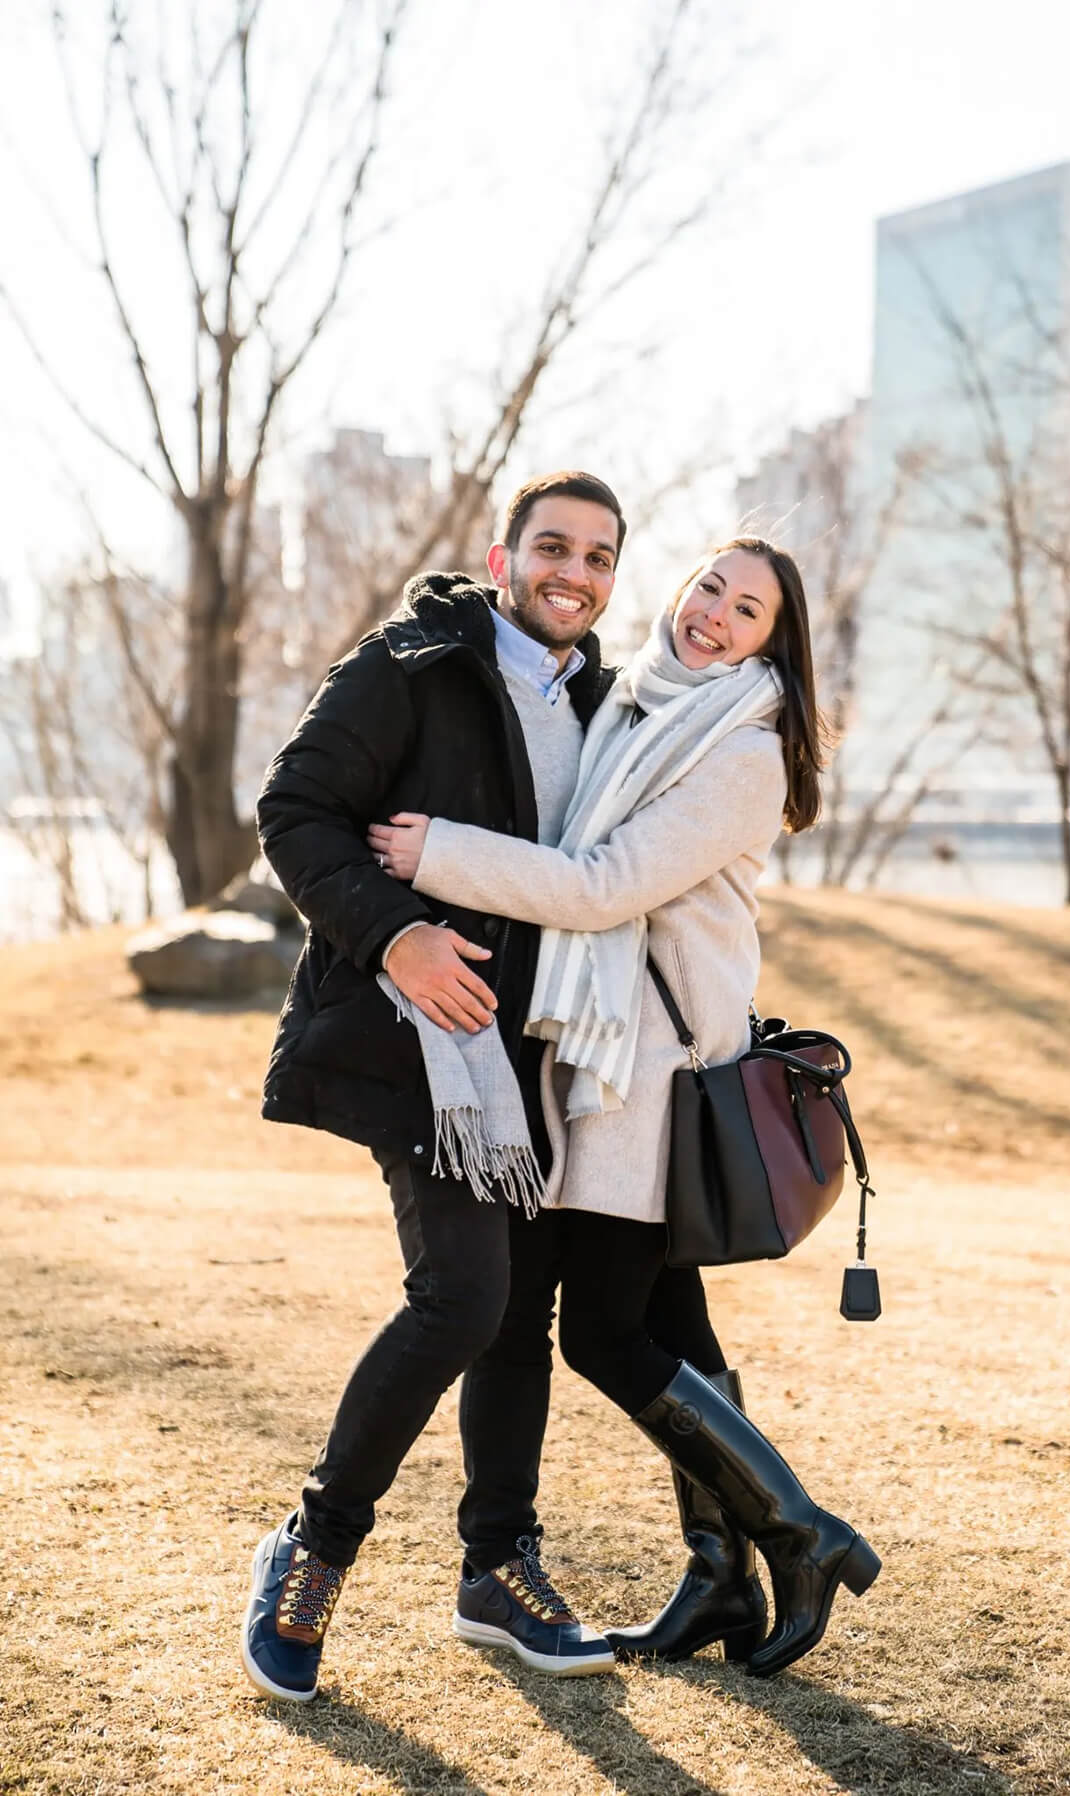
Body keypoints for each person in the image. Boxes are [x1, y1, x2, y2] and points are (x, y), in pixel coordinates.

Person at [369, 537, 881, 1679]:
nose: (715, 615)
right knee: (673, 1325)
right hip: (600, 1061)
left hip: (649, 1078)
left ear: (771, 643)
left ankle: (800, 1533)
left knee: (606, 1329)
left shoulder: (742, 748)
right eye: (710, 586)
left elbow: (601, 886)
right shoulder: (639, 701)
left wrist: (435, 852)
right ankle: (721, 1577)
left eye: (747, 610)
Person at [241, 471, 638, 1702]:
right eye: (553, 546)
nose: (574, 570)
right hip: (424, 1048)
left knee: (519, 1313)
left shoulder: (611, 704)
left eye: (600, 555)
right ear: (502, 553)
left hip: (545, 1057)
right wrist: (395, 933)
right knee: (463, 1296)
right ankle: (311, 1545)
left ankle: (496, 1565)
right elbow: (294, 809)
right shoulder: (408, 664)